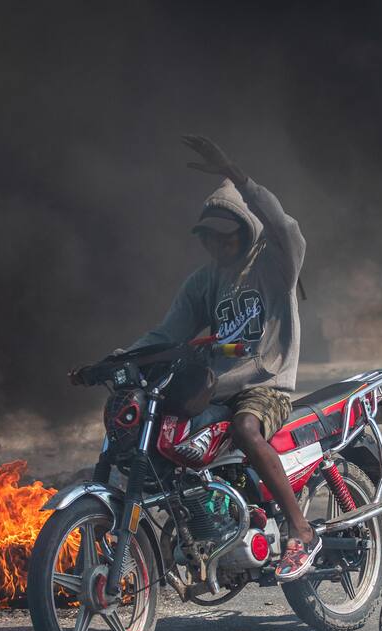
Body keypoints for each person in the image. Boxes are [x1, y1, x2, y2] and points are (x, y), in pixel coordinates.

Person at [127, 135, 321, 581]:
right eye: (209, 238)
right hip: (214, 387)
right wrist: (120, 359)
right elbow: (167, 332)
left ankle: (300, 528)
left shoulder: (275, 263)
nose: (217, 245)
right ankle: (205, 525)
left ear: (244, 228)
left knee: (244, 427)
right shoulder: (204, 282)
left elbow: (285, 227)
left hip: (265, 386)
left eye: (225, 235)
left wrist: (236, 173)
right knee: (171, 434)